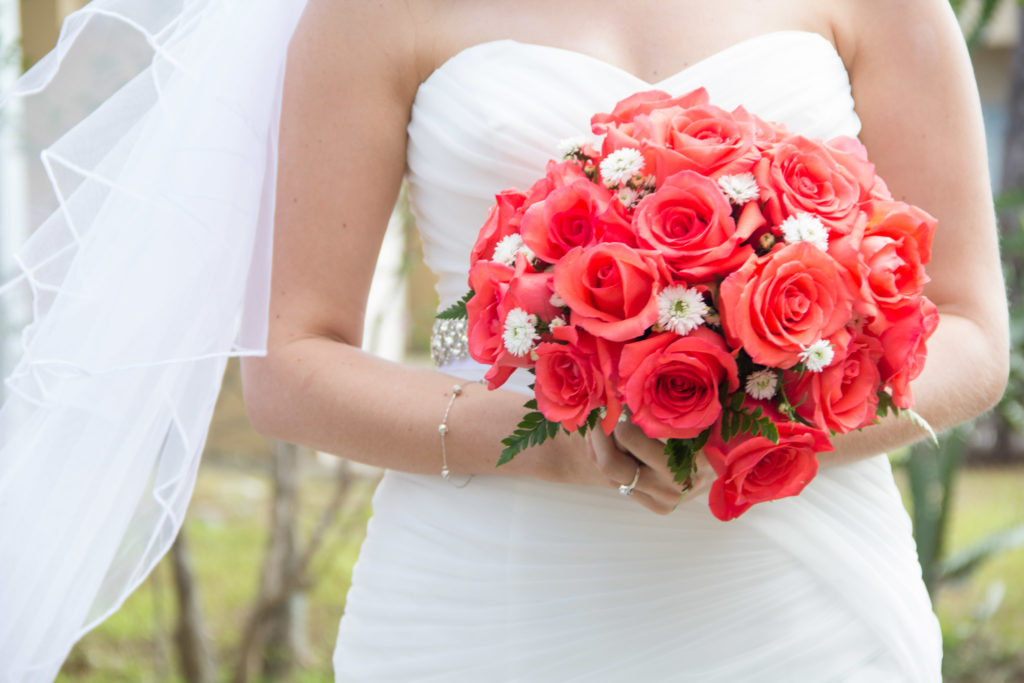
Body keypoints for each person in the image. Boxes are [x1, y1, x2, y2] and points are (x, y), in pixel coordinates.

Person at [0, 0, 1008, 681]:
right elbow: (291, 366)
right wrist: (555, 441)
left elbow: (968, 329)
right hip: (495, 594)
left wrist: (768, 427)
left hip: (802, 603)